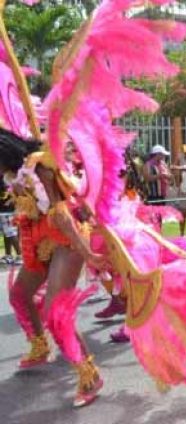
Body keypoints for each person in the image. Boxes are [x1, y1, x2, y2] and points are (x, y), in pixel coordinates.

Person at [2, 129, 106, 407]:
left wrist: (88, 253)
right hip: (42, 237)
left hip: (67, 236)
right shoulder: (14, 174)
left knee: (55, 312)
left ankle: (90, 374)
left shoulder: (40, 166)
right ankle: (40, 346)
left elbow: (61, 212)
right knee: (20, 294)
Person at [0, 180, 21, 265]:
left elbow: (6, 195)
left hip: (7, 211)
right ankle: (8, 255)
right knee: (7, 234)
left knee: (11, 233)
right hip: (4, 210)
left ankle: (20, 255)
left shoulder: (4, 180)